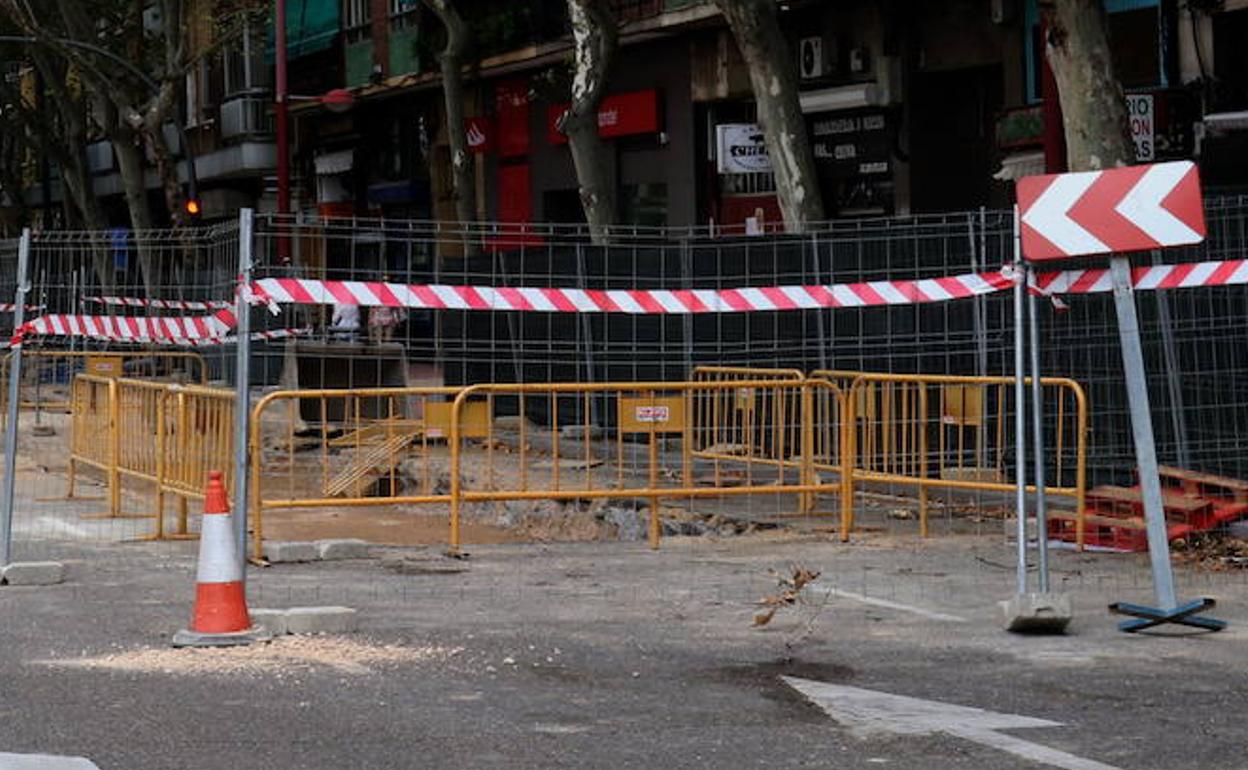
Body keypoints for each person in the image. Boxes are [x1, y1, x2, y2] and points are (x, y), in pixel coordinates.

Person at [368, 276, 406, 343]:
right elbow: (372, 307)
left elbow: (396, 308)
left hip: (388, 317)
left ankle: (385, 348)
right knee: (379, 338)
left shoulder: (392, 293)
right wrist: (370, 318)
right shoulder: (377, 293)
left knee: (387, 339)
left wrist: (398, 319)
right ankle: (380, 347)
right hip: (379, 317)